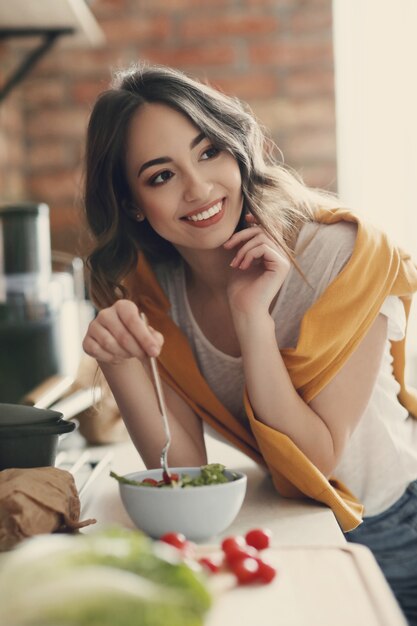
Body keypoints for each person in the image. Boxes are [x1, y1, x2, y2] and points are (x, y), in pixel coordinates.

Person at [82, 63, 417, 623]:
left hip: (394, 524)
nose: (199, 188)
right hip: (289, 526)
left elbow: (317, 458)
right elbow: (184, 472)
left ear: (237, 149)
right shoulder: (151, 292)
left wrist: (251, 318)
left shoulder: (344, 256)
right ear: (134, 203)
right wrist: (119, 363)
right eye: (161, 176)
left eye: (208, 151)